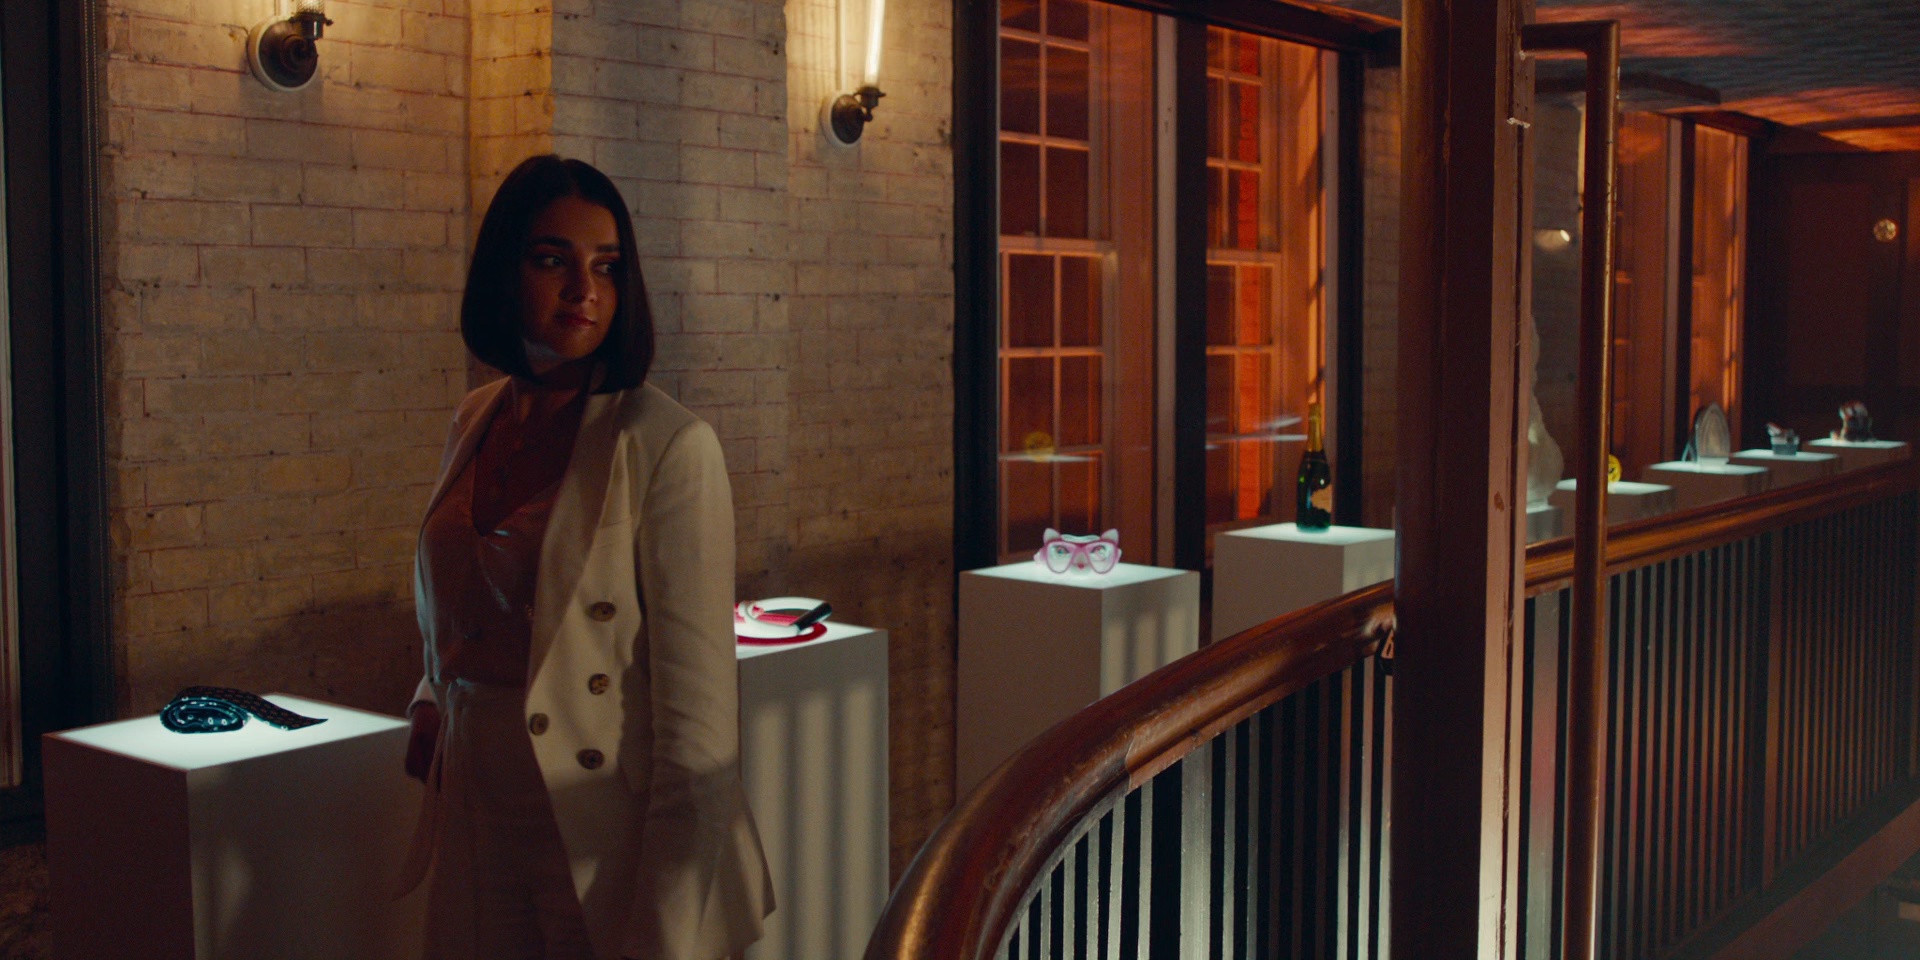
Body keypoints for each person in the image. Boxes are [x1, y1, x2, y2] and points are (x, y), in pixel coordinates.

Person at [397, 154, 773, 960]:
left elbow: (699, 733)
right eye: (551, 260)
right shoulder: (475, 417)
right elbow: (464, 593)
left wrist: (662, 933)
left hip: (603, 829)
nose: (583, 290)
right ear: (503, 269)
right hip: (472, 805)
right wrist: (434, 693)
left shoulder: (667, 445)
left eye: (606, 266)